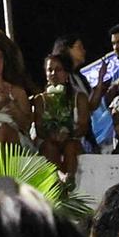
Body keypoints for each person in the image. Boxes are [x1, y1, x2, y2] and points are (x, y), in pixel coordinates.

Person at [31, 48, 83, 176]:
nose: (53, 73)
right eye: (50, 70)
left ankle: (69, 179)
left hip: (72, 140)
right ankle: (57, 182)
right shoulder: (40, 99)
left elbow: (83, 126)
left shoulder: (79, 97)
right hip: (48, 141)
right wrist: (53, 136)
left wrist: (67, 133)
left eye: (58, 69)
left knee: (71, 146)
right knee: (49, 147)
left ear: (66, 74)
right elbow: (39, 128)